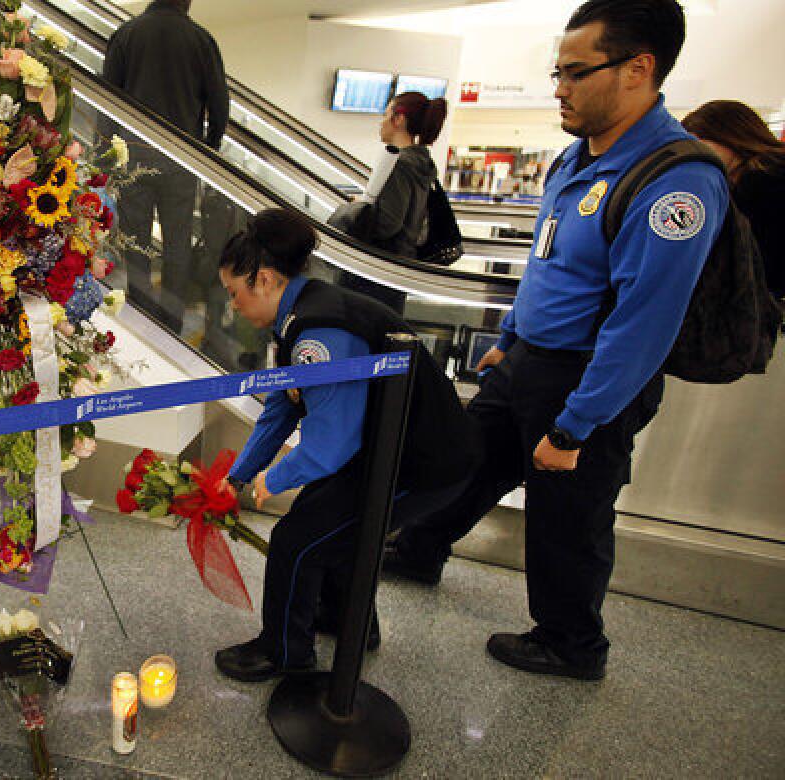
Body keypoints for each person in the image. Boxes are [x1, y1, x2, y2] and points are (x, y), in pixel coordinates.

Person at [380, 0, 728, 681]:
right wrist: (509, 339)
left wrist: (574, 429)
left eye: (575, 72)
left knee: (567, 515)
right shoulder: (575, 159)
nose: (559, 87)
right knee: (465, 460)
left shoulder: (676, 181)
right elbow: (549, 263)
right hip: (526, 362)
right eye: (557, 71)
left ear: (638, 69)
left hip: (587, 379)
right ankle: (420, 548)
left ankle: (571, 643)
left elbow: (643, 324)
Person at [211, 208, 479, 682]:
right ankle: (345, 618)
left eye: (235, 293)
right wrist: (236, 476)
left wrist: (272, 478)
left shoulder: (319, 333)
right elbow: (282, 406)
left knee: (297, 539)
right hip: (394, 447)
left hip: (423, 464)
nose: (233, 306)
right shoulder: (302, 313)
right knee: (325, 521)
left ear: (266, 279)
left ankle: (284, 653)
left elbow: (330, 446)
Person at [102, 0, 229, 334]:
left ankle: (140, 317)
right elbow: (219, 106)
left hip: (134, 155)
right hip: (182, 159)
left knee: (136, 239)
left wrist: (108, 153)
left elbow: (107, 98)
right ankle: (172, 322)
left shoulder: (126, 34)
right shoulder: (201, 40)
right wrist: (208, 151)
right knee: (177, 243)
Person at [335, 91, 450, 311]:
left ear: (399, 119)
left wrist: (358, 208)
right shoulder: (422, 163)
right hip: (396, 271)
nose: (381, 121)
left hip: (375, 274)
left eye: (386, 114)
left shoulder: (400, 164)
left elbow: (388, 223)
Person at [682, 100, 785, 299]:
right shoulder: (763, 172)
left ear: (730, 136)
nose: (695, 154)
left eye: (700, 144)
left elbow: (760, 260)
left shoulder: (761, 181)